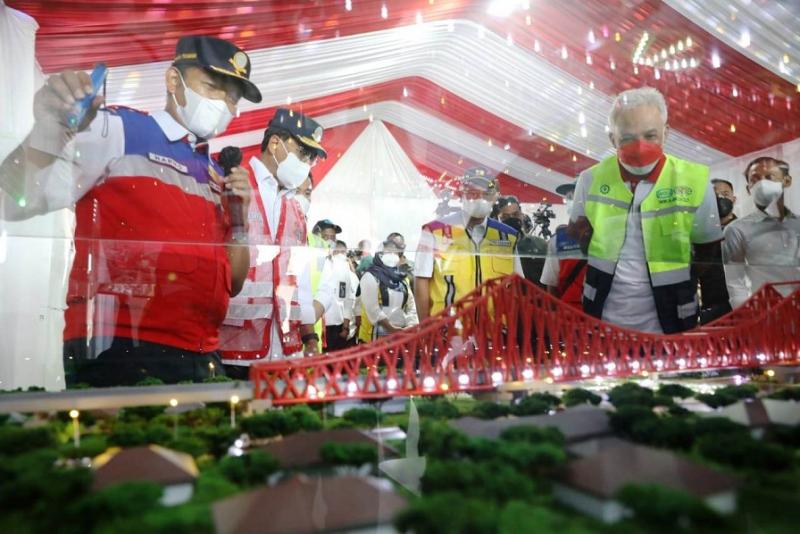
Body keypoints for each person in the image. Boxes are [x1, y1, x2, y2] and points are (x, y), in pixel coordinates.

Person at [0, 36, 261, 385]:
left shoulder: (214, 173)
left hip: (203, 353)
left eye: (232, 97)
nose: (223, 104)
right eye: (213, 87)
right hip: (123, 347)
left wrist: (239, 213)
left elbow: (233, 283)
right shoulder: (118, 130)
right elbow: (13, 199)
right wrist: (49, 130)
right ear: (173, 81)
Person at [568, 87, 730, 333]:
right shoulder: (590, 179)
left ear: (666, 133)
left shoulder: (695, 181)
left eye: (650, 135)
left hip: (674, 318)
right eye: (628, 138)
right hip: (602, 316)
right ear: (613, 139)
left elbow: (709, 260)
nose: (640, 146)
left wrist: (715, 321)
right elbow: (578, 241)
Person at [218, 108, 331, 372]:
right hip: (233, 347)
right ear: (275, 143)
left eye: (312, 159)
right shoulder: (236, 184)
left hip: (284, 349)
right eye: (303, 153)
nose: (307, 164)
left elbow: (299, 277)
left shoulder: (295, 209)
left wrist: (308, 335)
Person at [414, 167, 523, 321]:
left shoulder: (508, 236)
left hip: (495, 334)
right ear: (461, 194)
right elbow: (421, 281)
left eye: (486, 193)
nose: (479, 198)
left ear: (494, 197)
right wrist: (425, 329)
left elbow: (517, 286)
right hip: (448, 333)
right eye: (472, 192)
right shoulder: (434, 231)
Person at [723, 157, 800, 307]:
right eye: (755, 180)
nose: (762, 183)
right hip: (767, 310)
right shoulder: (736, 230)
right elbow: (735, 282)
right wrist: (745, 316)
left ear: (786, 181)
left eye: (769, 177)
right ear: (748, 188)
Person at [359, 238, 419, 342]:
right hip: (373, 340)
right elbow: (372, 309)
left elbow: (411, 306)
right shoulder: (370, 276)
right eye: (388, 251)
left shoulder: (403, 280)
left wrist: (411, 326)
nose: (392, 255)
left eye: (394, 252)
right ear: (379, 254)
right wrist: (392, 329)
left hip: (399, 339)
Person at [540, 182, 586, 308]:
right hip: (568, 318)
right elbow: (551, 286)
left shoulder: (611, 236)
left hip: (601, 320)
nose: (571, 201)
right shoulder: (558, 240)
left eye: (576, 195)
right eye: (569, 197)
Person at [491, 195, 547, 286]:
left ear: (521, 214)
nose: (511, 219)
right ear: (498, 219)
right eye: (505, 217)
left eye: (515, 214)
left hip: (535, 297)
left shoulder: (539, 244)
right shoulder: (492, 247)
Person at [317, 240, 357, 352]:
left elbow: (348, 299)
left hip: (336, 328)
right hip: (317, 324)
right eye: (338, 251)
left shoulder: (344, 270)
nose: (340, 255)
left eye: (343, 252)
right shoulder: (317, 266)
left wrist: (345, 326)